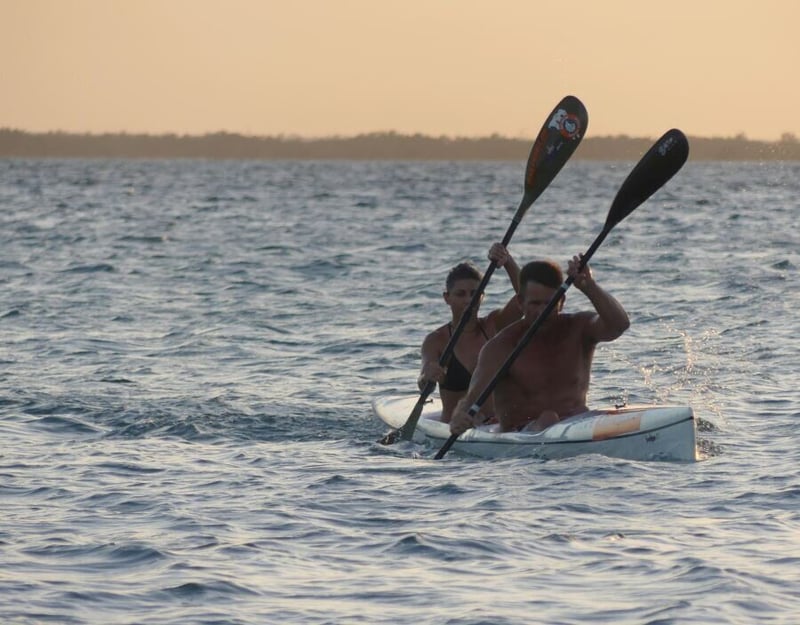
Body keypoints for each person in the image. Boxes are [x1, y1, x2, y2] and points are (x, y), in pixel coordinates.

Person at [449, 254, 630, 435]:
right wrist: (460, 417)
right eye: (535, 304)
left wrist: (589, 286)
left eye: (549, 303)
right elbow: (471, 399)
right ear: (520, 302)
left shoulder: (580, 328)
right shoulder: (500, 346)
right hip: (522, 434)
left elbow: (619, 325)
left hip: (578, 425)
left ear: (562, 302)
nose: (542, 311)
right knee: (549, 418)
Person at [418, 243, 522, 423]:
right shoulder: (436, 340)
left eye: (475, 293)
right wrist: (427, 377)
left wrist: (508, 261)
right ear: (447, 298)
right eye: (460, 294)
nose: (468, 300)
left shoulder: (494, 325)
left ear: (482, 296)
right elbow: (423, 379)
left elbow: (528, 298)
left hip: (494, 426)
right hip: (455, 430)